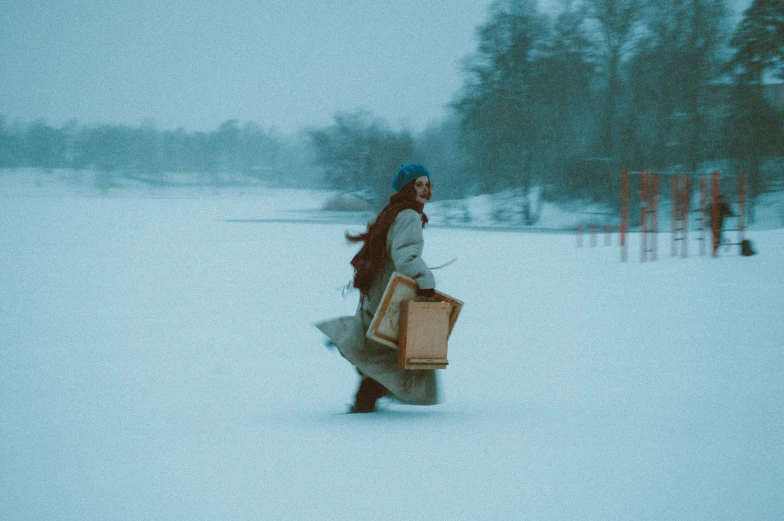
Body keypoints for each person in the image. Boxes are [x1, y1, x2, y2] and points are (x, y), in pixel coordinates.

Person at [316, 164, 440, 413]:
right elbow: (405, 256)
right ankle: (365, 399)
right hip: (394, 292)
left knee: (380, 345)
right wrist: (426, 283)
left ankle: (365, 390)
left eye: (427, 184)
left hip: (378, 289)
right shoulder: (409, 216)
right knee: (392, 351)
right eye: (418, 184)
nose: (425, 189)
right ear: (407, 188)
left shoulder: (392, 211)